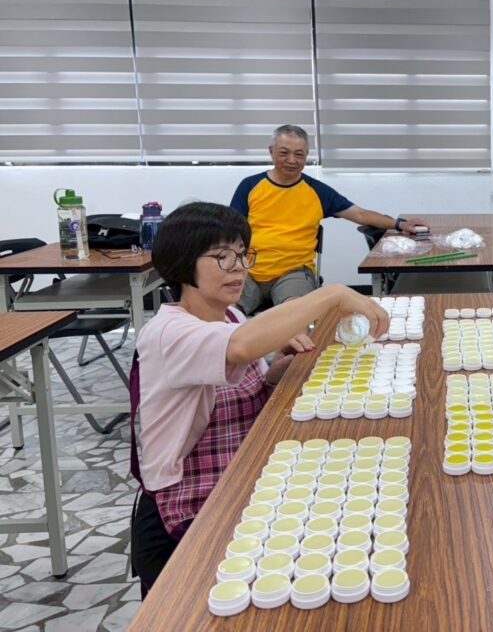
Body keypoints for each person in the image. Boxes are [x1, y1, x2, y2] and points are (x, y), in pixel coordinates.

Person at [129, 201, 388, 596]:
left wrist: (278, 370)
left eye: (241, 254)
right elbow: (240, 347)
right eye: (222, 256)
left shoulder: (230, 316)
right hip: (194, 498)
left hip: (243, 469)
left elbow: (247, 383)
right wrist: (332, 294)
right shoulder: (169, 331)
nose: (238, 268)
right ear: (181, 262)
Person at [229, 124, 428, 314]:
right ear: (271, 151)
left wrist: (400, 224)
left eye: (299, 154)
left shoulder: (317, 191)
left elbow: (359, 214)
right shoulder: (250, 186)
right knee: (226, 313)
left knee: (294, 315)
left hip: (293, 273)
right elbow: (230, 231)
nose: (291, 160)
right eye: (284, 153)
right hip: (249, 271)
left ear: (306, 155)